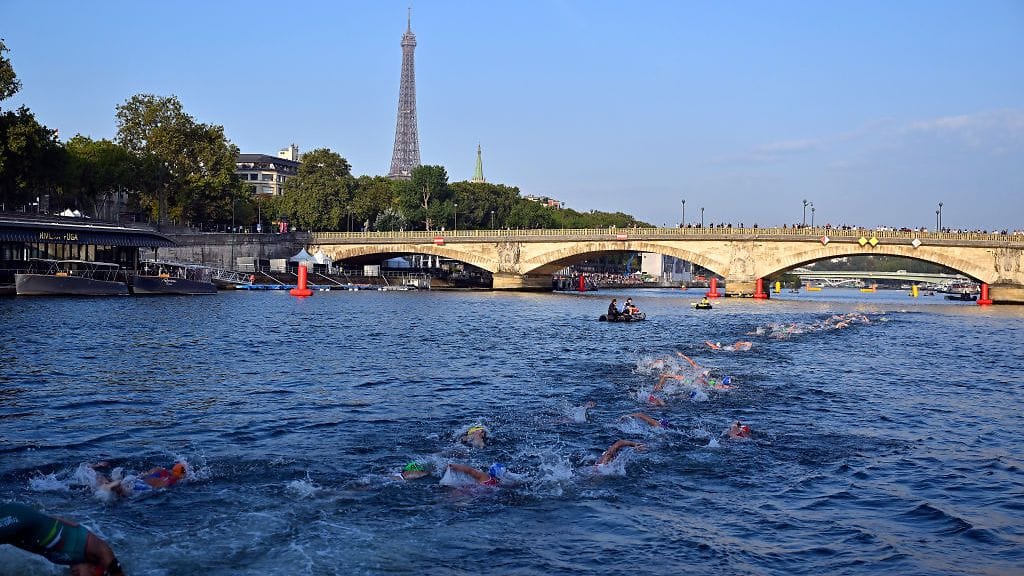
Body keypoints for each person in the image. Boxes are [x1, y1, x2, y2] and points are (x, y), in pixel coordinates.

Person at [0, 502, 124, 575]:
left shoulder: (70, 559)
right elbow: (107, 554)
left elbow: (62, 520)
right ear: (94, 569)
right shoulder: (95, 549)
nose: (74, 574)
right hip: (19, 519)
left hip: (20, 528)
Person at [95, 461, 187, 497]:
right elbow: (161, 487)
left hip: (134, 478)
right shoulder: (172, 480)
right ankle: (116, 486)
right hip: (142, 486)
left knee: (124, 483)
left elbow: (142, 474)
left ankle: (106, 481)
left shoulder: (158, 469)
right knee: (123, 491)